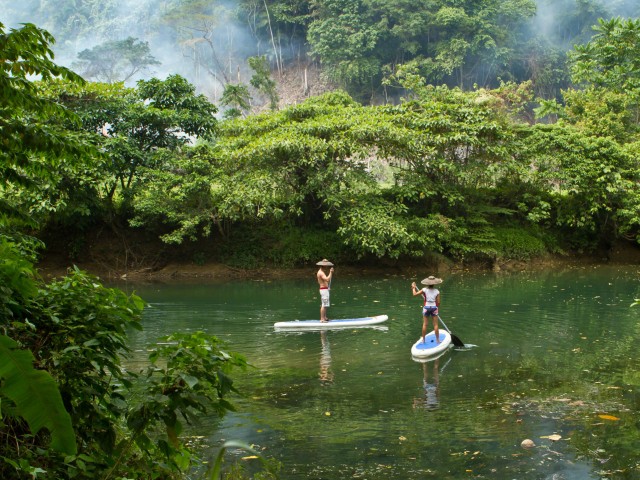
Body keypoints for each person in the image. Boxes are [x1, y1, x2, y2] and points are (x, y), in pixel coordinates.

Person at [411, 275, 442, 344]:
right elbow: (438, 302)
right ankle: (438, 340)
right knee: (435, 325)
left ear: (427, 283)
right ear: (434, 284)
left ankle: (423, 340)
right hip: (434, 307)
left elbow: (414, 294)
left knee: (425, 324)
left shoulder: (424, 290)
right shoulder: (437, 291)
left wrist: (413, 288)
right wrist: (435, 307)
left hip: (426, 308)